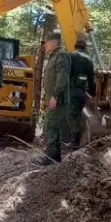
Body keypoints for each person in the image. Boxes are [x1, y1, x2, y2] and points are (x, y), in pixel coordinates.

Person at [33, 31, 70, 166]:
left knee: (51, 127)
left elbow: (62, 79)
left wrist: (55, 96)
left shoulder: (61, 56)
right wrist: (44, 98)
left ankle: (50, 158)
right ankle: (56, 158)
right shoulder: (53, 57)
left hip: (58, 100)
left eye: (46, 43)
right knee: (53, 127)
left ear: (54, 42)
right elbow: (49, 81)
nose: (44, 46)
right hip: (52, 99)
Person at [67, 35, 96, 149]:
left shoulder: (71, 56)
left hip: (71, 91)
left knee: (72, 116)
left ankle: (75, 142)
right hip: (82, 93)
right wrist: (93, 94)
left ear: (75, 46)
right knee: (77, 115)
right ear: (84, 48)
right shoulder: (89, 60)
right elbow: (91, 79)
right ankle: (77, 140)